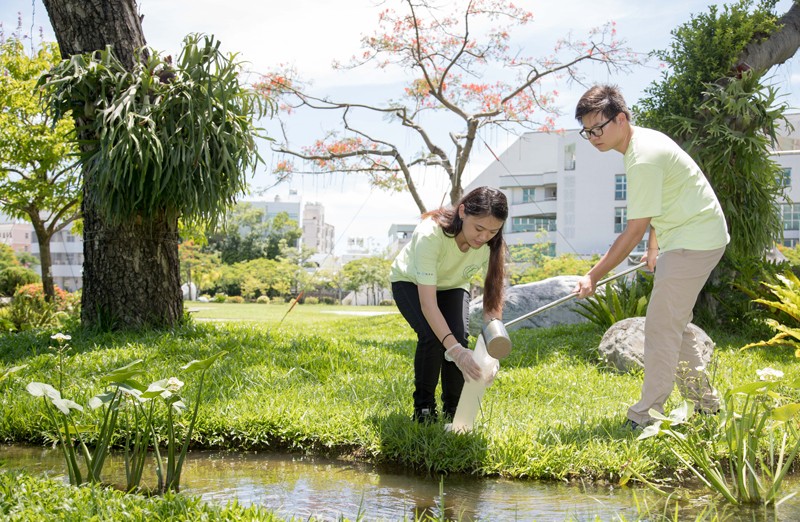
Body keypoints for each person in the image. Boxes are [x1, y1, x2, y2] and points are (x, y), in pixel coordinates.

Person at [573, 84, 729, 430]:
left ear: (622, 118)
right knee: (673, 322)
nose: (594, 136)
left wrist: (594, 275)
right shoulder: (640, 143)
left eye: (598, 128)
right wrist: (655, 247)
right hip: (688, 235)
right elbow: (660, 204)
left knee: (660, 325)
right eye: (587, 131)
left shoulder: (642, 157)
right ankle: (706, 406)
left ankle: (646, 414)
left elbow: (632, 230)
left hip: (695, 239)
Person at [390, 186, 508, 423]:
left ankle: (454, 408)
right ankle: (423, 408)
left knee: (458, 337)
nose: (484, 237)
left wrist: (492, 355)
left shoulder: (491, 245)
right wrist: (454, 352)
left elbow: (492, 302)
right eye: (479, 228)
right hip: (410, 282)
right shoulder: (430, 234)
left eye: (492, 231)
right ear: (462, 211)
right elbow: (428, 305)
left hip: (453, 284)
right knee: (433, 337)